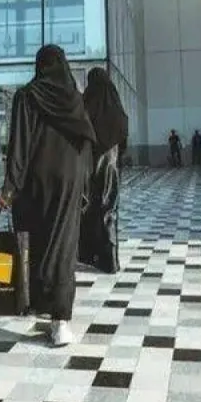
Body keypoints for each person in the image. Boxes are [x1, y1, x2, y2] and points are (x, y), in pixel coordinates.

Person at [0, 45, 96, 347]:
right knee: (62, 247)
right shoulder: (75, 99)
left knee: (35, 242)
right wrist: (83, 185)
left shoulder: (27, 96)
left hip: (35, 184)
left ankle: (38, 302)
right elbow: (87, 142)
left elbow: (19, 146)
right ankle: (60, 321)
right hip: (69, 181)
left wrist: (9, 188)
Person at [80, 67, 128, 274]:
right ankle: (110, 260)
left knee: (88, 208)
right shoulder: (115, 105)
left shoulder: (87, 102)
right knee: (109, 209)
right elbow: (123, 133)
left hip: (89, 164)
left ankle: (89, 254)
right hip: (111, 165)